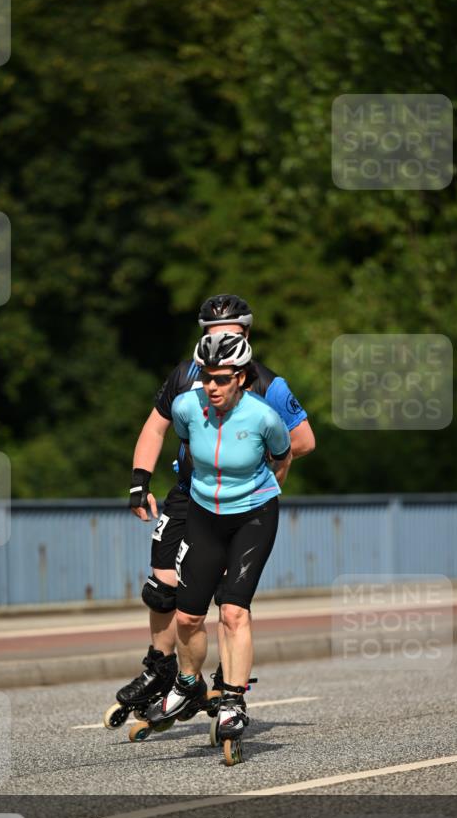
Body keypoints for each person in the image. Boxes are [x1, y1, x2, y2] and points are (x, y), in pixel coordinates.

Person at [104, 295, 314, 729]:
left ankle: (227, 684)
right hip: (191, 492)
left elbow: (302, 441)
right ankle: (164, 671)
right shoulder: (186, 376)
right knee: (163, 592)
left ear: (246, 335)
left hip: (244, 501)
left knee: (230, 603)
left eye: (229, 331)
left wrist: (258, 469)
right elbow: (157, 426)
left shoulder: (268, 386)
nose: (218, 338)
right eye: (209, 332)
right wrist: (139, 481)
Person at [145, 331, 291, 754]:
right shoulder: (186, 408)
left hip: (254, 516)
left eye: (223, 378)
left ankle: (232, 699)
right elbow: (190, 452)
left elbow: (282, 458)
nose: (212, 385)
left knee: (232, 611)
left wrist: (258, 495)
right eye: (208, 376)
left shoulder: (264, 418)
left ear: (242, 377)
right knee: (188, 618)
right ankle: (187, 684)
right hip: (205, 514)